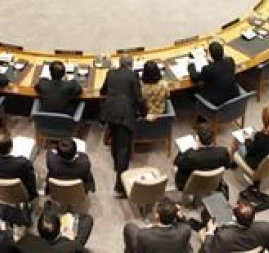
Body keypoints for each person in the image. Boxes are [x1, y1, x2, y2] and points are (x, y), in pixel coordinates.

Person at [100, 54, 145, 195]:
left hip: (110, 112)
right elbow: (138, 98)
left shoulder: (111, 73)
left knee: (115, 140)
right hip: (124, 115)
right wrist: (144, 113)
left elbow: (103, 91)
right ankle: (120, 187)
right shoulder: (133, 76)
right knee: (123, 150)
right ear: (131, 65)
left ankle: (116, 165)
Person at [200, 201, 269, 253]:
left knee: (212, 205)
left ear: (235, 216)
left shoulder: (223, 237)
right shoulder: (265, 227)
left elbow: (206, 251)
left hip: (227, 239)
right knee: (218, 202)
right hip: (241, 238)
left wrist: (210, 232)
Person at [123, 197, 192, 252]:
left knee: (129, 228)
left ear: (157, 215)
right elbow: (186, 225)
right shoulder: (185, 230)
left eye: (154, 208)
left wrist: (148, 228)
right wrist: (180, 216)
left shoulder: (144, 235)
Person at [174, 124, 231, 191]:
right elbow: (227, 166)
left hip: (189, 186)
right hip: (213, 183)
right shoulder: (223, 152)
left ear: (197, 138)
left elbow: (176, 163)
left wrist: (187, 151)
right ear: (213, 138)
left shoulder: (189, 155)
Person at [0, 130, 38, 200]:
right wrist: (34, 194)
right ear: (10, 148)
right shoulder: (23, 163)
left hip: (1, 190)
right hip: (21, 193)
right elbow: (31, 180)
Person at [232, 105, 269, 172]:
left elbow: (250, 151)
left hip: (255, 163)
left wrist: (247, 139)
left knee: (238, 139)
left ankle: (233, 162)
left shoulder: (261, 137)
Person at [16, 209, 93, 252]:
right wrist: (71, 241)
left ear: (38, 230)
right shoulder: (70, 246)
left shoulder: (24, 245)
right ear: (59, 229)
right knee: (87, 220)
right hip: (71, 246)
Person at [189, 41, 239, 107]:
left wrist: (191, 65)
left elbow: (195, 78)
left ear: (210, 55)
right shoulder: (230, 61)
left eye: (207, 52)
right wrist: (211, 60)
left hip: (217, 103)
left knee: (192, 92)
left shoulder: (207, 69)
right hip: (234, 99)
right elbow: (219, 67)